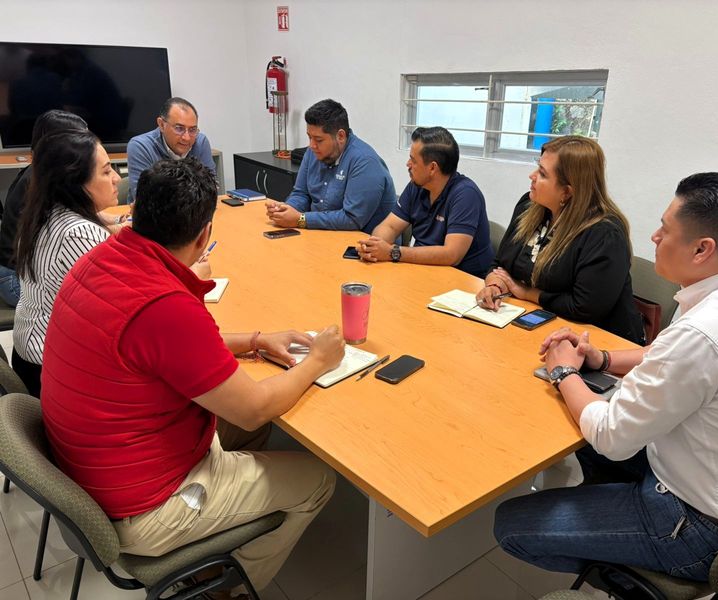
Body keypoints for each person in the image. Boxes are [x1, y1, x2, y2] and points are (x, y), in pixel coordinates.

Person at [40, 157, 343, 599]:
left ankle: (214, 553)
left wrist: (257, 340)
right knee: (318, 478)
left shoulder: (105, 258)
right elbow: (255, 408)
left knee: (246, 427)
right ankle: (226, 591)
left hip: (92, 472)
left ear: (137, 210)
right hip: (141, 509)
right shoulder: (164, 304)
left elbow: (173, 349)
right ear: (204, 237)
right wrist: (318, 360)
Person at [494, 171, 718, 584]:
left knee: (511, 526)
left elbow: (612, 436)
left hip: (702, 525)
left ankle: (635, 571)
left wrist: (563, 370)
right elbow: (665, 354)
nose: (654, 237)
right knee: (571, 428)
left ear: (702, 249)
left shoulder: (706, 332)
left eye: (665, 229)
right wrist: (598, 359)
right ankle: (608, 519)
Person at [475, 136, 643, 344]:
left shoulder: (604, 234)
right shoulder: (529, 207)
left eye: (543, 174)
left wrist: (527, 292)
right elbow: (501, 264)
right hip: (535, 326)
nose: (532, 176)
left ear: (567, 191)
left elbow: (583, 308)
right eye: (538, 167)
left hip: (598, 344)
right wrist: (495, 286)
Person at [12, 129, 121, 396]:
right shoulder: (80, 233)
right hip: (51, 369)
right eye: (106, 172)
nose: (117, 178)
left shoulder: (46, 212)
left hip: (30, 353)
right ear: (76, 183)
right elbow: (120, 314)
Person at [357, 126, 494, 278]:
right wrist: (374, 247)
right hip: (424, 272)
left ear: (432, 168)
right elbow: (390, 226)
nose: (408, 164)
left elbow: (452, 255)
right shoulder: (417, 186)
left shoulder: (466, 194)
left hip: (461, 282)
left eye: (413, 160)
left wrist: (392, 252)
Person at [0, 110, 88, 307]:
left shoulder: (39, 172)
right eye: (80, 139)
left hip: (19, 272)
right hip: (15, 279)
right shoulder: (43, 180)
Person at [266, 98, 395, 232]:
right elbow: (301, 193)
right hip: (322, 235)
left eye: (318, 140)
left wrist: (301, 219)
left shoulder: (365, 162)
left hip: (362, 244)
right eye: (309, 137)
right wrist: (286, 210)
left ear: (340, 136)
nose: (312, 145)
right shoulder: (313, 152)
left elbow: (352, 220)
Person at [126, 97, 215, 203]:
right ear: (162, 125)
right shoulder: (141, 146)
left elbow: (211, 190)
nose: (186, 137)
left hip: (194, 215)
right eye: (179, 128)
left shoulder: (200, 142)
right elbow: (144, 200)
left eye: (192, 130)